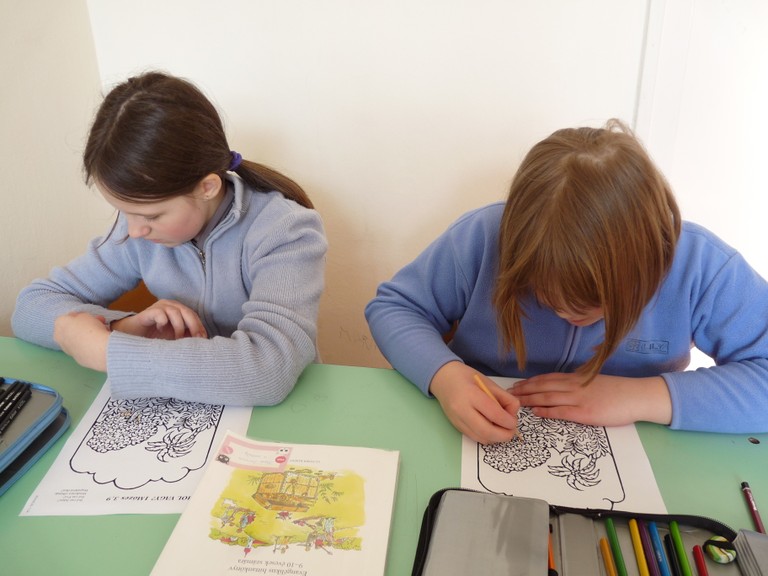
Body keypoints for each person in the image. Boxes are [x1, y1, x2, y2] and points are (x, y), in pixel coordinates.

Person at [365, 119, 768, 444]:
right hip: (478, 432)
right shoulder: (484, 236)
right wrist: (445, 376)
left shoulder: (699, 264)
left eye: (598, 303)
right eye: (547, 295)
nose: (567, 313)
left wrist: (642, 397)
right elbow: (395, 308)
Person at [12, 71, 327, 406]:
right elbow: (32, 306)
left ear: (207, 187)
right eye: (124, 212)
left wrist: (110, 353)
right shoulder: (137, 234)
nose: (134, 231)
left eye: (151, 216)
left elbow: (269, 370)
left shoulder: (285, 231)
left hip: (291, 413)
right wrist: (121, 328)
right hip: (192, 411)